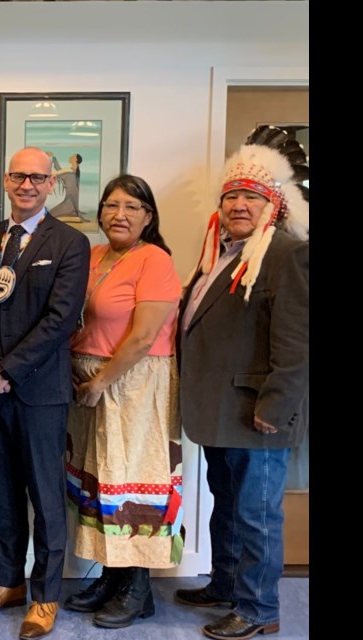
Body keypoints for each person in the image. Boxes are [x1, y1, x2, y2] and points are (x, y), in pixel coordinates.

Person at [177, 125, 308, 640]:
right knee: (227, 504)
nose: (237, 203)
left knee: (255, 515)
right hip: (223, 411)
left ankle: (258, 609)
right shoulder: (224, 254)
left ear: (272, 205)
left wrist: (275, 407)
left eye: (250, 196)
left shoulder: (286, 254)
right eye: (230, 195)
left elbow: (296, 344)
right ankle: (227, 585)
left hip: (259, 413)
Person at [0, 146, 89, 639]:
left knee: (46, 498)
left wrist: (7, 369)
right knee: (2, 493)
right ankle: (7, 582)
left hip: (40, 392)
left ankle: (46, 595)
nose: (27, 185)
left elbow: (60, 320)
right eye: (18, 176)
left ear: (51, 184)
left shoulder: (71, 242)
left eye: (37, 177)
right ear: (6, 180)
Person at [62, 174, 183, 629]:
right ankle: (112, 579)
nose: (120, 214)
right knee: (100, 481)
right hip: (87, 379)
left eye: (133, 207)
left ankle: (138, 589)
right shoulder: (94, 256)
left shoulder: (154, 259)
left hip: (132, 381)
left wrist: (102, 381)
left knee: (132, 479)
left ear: (148, 216)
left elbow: (144, 336)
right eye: (112, 205)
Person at [50, 154, 86, 221]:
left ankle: (72, 214)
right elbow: (59, 171)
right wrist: (54, 158)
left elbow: (57, 172)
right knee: (52, 213)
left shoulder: (70, 171)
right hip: (70, 198)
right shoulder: (71, 170)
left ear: (75, 159)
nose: (70, 156)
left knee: (52, 213)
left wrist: (53, 158)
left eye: (72, 156)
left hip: (70, 199)